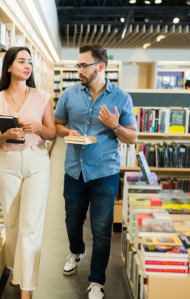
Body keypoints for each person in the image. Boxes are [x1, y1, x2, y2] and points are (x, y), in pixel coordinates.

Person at [54, 44, 138, 299]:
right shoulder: (69, 94)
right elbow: (58, 124)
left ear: (100, 67)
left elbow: (132, 137)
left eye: (83, 65)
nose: (78, 69)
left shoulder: (121, 97)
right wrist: (68, 132)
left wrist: (115, 126)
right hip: (74, 170)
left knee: (101, 228)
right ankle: (76, 251)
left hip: (104, 172)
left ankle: (96, 281)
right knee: (72, 220)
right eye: (77, 65)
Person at [0, 47, 56, 299]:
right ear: (9, 67)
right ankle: (18, 269)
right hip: (7, 163)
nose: (27, 66)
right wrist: (5, 135)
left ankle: (26, 289)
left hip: (37, 161)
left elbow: (52, 133)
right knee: (12, 224)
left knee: (30, 226)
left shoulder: (42, 97)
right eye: (21, 61)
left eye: (30, 62)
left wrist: (38, 127)